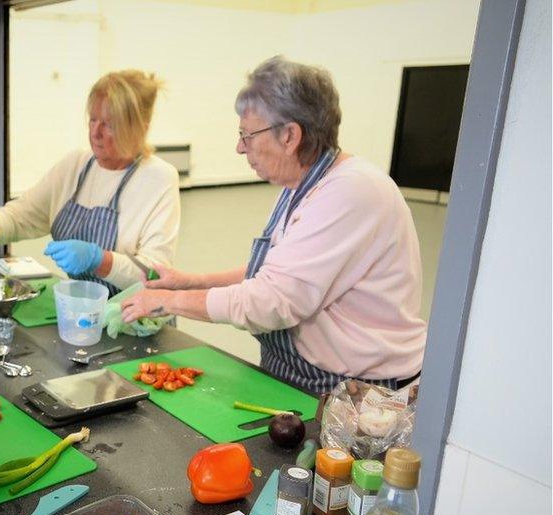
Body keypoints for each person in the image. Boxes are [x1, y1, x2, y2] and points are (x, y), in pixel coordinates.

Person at [121, 56, 427, 394]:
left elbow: (271, 301)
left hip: (355, 389)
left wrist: (167, 301)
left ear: (290, 136)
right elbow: (273, 272)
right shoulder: (301, 183)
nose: (240, 147)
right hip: (301, 373)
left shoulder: (351, 192)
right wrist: (188, 282)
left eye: (247, 135)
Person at [0, 69, 181, 296]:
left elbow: (155, 276)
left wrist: (100, 261)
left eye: (109, 124)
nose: (95, 132)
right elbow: (25, 214)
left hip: (135, 317)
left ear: (138, 128)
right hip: (84, 308)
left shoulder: (158, 179)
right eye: (93, 120)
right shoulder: (76, 165)